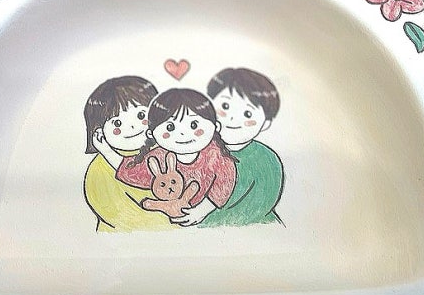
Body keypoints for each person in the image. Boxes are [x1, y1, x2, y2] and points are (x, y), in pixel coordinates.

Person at [95, 88, 237, 226]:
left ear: (215, 127)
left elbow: (225, 182)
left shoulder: (215, 154)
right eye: (170, 127)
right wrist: (106, 151)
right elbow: (132, 171)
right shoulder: (159, 157)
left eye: (194, 124)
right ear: (151, 134)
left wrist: (201, 211)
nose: (183, 133)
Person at [83, 76, 174, 232]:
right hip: (121, 236)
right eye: (117, 123)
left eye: (141, 116)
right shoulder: (100, 167)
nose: (132, 126)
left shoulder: (166, 151)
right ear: (98, 131)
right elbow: (110, 211)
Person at [199, 68, 284, 227]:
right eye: (225, 106)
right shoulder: (200, 149)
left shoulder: (266, 159)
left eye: (247, 114)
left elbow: (258, 207)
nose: (232, 118)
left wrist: (203, 219)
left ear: (265, 123)